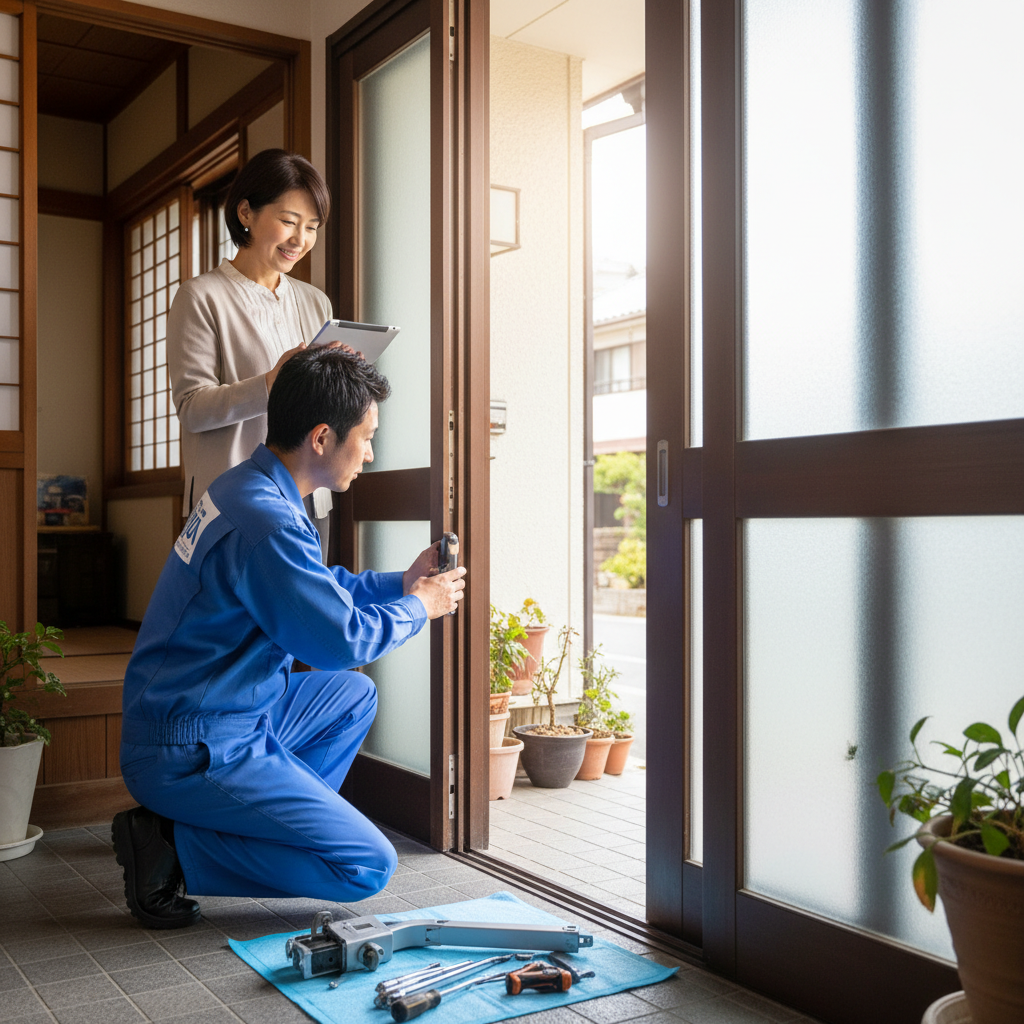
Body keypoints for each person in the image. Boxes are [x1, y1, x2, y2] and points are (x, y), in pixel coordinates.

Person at [112, 347, 467, 929]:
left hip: (220, 709)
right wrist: (418, 606)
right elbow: (336, 640)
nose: (372, 453)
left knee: (351, 697)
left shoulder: (251, 486)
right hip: (189, 743)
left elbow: (317, 588)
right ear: (323, 437)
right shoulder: (269, 518)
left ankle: (257, 820)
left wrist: (397, 583)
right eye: (367, 436)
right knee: (365, 866)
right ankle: (173, 847)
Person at [168, 148, 337, 551]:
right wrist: (268, 384)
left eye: (312, 227)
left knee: (303, 614)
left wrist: (341, 381)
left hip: (308, 497)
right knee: (239, 616)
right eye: (288, 221)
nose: (301, 239)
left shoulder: (317, 303)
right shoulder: (200, 296)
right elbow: (192, 408)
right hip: (234, 497)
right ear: (246, 213)